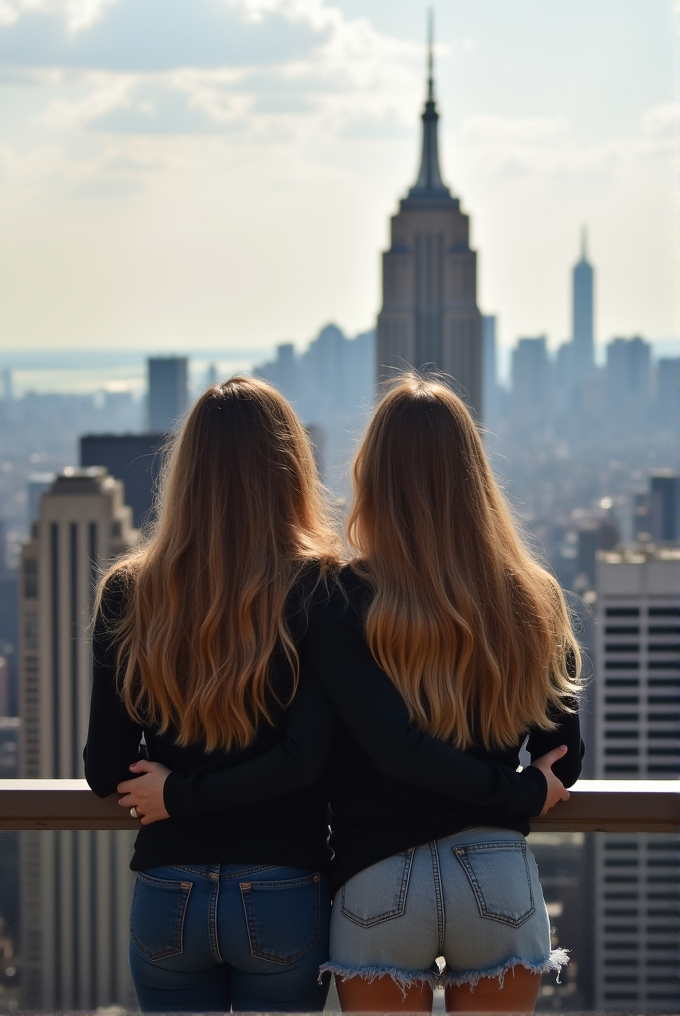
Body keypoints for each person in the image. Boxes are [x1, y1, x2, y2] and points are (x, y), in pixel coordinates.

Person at [119, 374, 583, 1014]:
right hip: (498, 874)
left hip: (376, 879)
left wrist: (181, 791)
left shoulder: (342, 599)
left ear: (370, 477)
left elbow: (385, 748)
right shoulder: (537, 597)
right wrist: (520, 790)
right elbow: (564, 756)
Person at [84, 376, 342, 1014]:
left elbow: (104, 771)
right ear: (290, 471)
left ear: (187, 472)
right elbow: (307, 757)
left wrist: (175, 790)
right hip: (285, 885)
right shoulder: (319, 588)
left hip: (169, 890)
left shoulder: (131, 591)